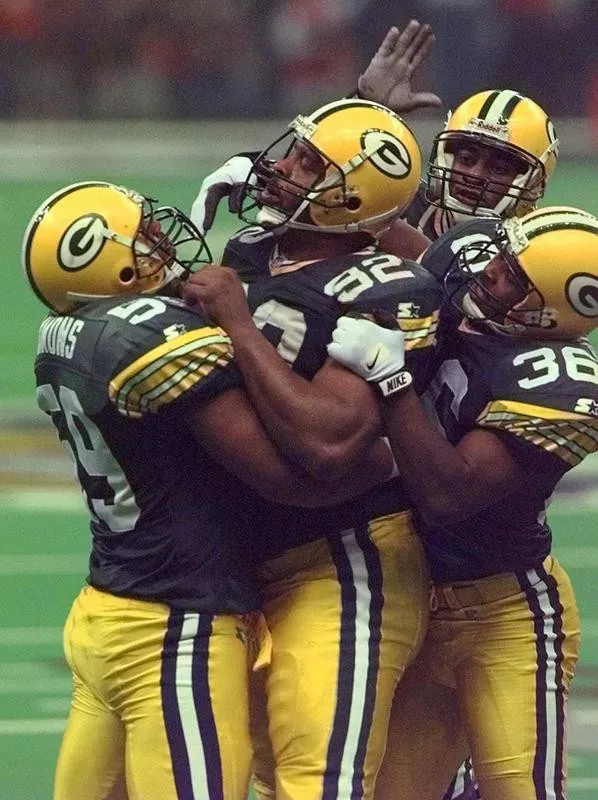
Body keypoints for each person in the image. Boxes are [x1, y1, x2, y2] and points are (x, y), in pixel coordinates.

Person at [22, 180, 398, 800]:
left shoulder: (66, 334)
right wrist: (386, 465)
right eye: (143, 238)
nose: (162, 239)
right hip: (174, 624)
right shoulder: (154, 336)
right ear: (111, 264)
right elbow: (288, 480)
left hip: (104, 610)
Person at [182, 97, 443, 799]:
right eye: (294, 150)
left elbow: (329, 442)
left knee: (318, 778)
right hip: (242, 555)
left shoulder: (390, 286)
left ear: (350, 196)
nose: (283, 167)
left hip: (344, 559)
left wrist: (235, 320)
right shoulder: (255, 249)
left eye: (308, 163)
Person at [327, 205, 598, 799]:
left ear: (551, 309)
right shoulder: (468, 269)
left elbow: (447, 493)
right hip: (415, 600)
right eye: (502, 256)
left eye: (512, 276)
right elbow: (384, 233)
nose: (490, 272)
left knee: (516, 789)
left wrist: (392, 381)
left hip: (504, 611)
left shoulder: (561, 381)